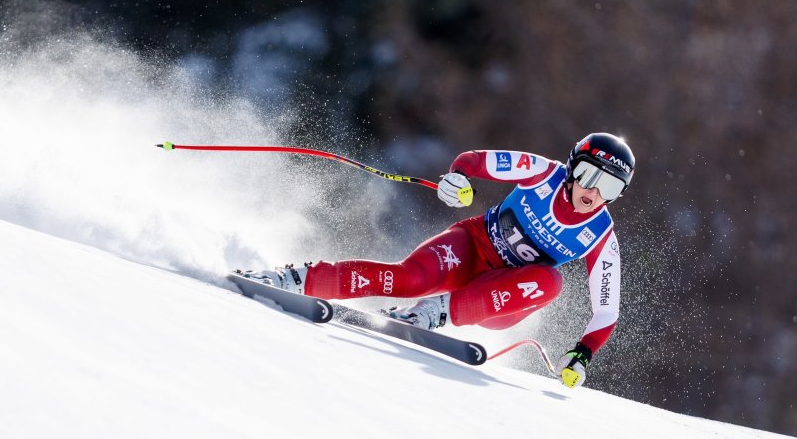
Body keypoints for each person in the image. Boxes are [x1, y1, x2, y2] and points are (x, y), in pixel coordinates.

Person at [251, 132, 635, 388]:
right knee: (409, 279)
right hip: (471, 248)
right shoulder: (542, 173)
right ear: (571, 168)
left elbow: (606, 312)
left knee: (551, 283)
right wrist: (458, 178)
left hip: (501, 297)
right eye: (588, 175)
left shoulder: (601, 235)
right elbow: (474, 160)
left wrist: (582, 354)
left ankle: (433, 312)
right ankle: (296, 278)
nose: (594, 191)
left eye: (610, 186)